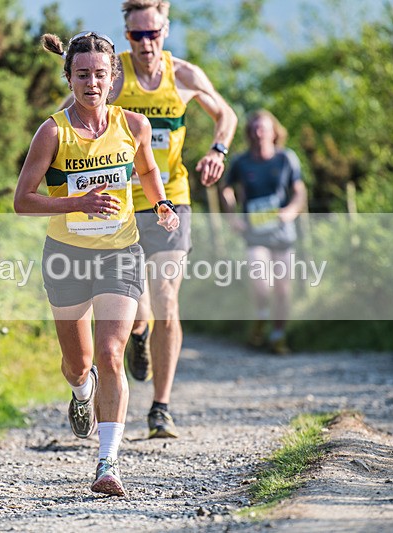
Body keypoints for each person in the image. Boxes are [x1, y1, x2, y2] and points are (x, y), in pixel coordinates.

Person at [14, 31, 179, 497]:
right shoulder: (53, 132)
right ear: (68, 77)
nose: (92, 83)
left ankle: (108, 463)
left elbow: (147, 170)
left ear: (113, 78)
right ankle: (81, 392)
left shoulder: (134, 126)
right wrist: (78, 203)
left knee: (110, 354)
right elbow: (23, 201)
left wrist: (161, 204)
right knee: (77, 363)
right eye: (82, 74)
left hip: (120, 253)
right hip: (67, 257)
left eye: (100, 75)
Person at [111, 0, 237, 439]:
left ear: (165, 31)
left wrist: (217, 150)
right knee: (138, 306)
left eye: (154, 34)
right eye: (137, 35)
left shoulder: (183, 75)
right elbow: (72, 115)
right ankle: (138, 333)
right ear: (127, 35)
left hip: (171, 200)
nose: (146, 43)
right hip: (122, 204)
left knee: (166, 299)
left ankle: (160, 407)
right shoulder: (114, 76)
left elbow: (226, 114)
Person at [220, 109, 307, 355]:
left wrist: (291, 210)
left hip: (281, 232)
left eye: (264, 128)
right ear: (249, 133)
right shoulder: (241, 161)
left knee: (283, 289)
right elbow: (226, 188)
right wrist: (232, 218)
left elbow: (299, 190)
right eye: (255, 129)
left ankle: (278, 336)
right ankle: (260, 317)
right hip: (255, 233)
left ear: (274, 132)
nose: (259, 133)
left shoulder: (286, 158)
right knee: (261, 284)